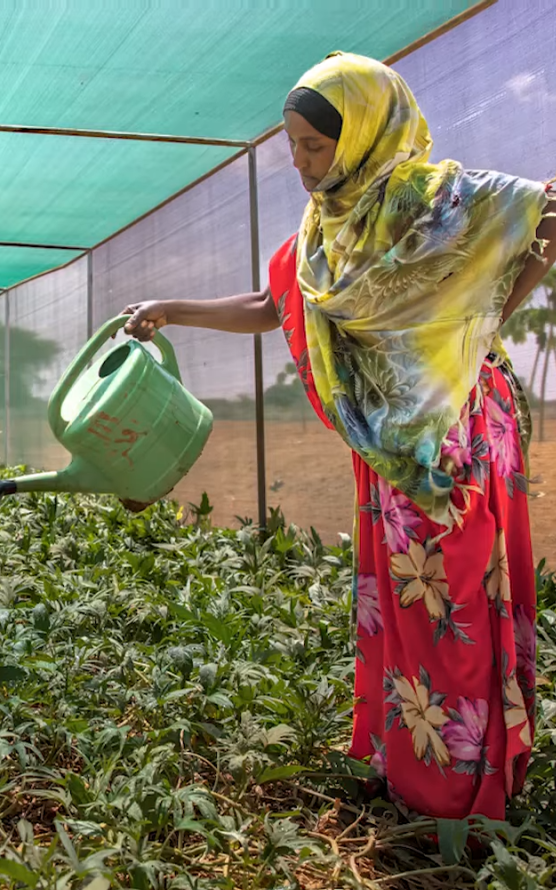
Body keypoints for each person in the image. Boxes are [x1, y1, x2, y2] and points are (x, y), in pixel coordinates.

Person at [121, 52, 556, 822]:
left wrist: (491, 316)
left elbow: (544, 220)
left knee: (455, 606)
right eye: (292, 145)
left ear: (359, 134)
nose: (300, 162)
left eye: (314, 146)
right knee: (403, 608)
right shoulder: (322, 231)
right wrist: (169, 306)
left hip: (453, 440)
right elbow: (270, 300)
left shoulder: (429, 201)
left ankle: (465, 794)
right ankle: (411, 777)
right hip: (387, 452)